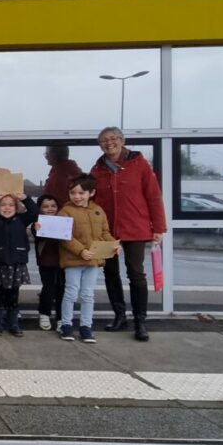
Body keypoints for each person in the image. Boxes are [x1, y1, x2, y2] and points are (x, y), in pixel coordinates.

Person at [91, 126, 166, 342]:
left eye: (113, 139)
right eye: (104, 140)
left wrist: (158, 227)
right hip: (107, 231)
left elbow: (153, 196)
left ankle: (140, 320)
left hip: (135, 227)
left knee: (136, 273)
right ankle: (119, 316)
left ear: (122, 141)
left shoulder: (139, 165)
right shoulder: (97, 169)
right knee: (110, 273)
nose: (109, 143)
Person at [53, 173, 119, 343]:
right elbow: (64, 236)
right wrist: (81, 251)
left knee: (88, 294)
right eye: (73, 193)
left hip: (93, 261)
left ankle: (86, 327)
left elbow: (105, 233)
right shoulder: (65, 211)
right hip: (73, 261)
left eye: (81, 193)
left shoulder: (98, 210)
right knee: (71, 292)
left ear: (91, 193)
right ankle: (66, 325)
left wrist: (113, 245)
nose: (77, 196)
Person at [0, 192, 38, 337]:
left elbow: (35, 212)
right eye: (3, 205)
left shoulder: (21, 220)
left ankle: (13, 323)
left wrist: (25, 198)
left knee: (13, 295)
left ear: (17, 207)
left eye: (11, 205)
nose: (7, 208)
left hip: (16, 262)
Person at [33, 194, 65, 331]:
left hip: (62, 261)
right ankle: (44, 313)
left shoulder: (64, 220)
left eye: (53, 206)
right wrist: (37, 230)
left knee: (62, 289)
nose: (50, 209)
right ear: (40, 208)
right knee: (49, 288)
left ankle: (61, 317)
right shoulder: (37, 222)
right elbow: (36, 238)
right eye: (45, 206)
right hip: (45, 261)